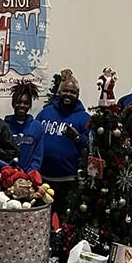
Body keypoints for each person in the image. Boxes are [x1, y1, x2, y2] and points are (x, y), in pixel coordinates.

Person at [36, 76, 90, 217]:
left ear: (78, 95)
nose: (68, 94)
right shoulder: (45, 112)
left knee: (66, 221)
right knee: (42, 219)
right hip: (44, 179)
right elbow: (34, 134)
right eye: (65, 91)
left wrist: (77, 138)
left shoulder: (84, 118)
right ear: (59, 92)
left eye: (73, 92)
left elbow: (92, 144)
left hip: (69, 181)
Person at [5, 81, 45, 172]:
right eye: (18, 102)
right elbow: (1, 153)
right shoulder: (4, 126)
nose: (22, 106)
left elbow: (38, 155)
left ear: (30, 105)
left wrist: (29, 173)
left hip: (29, 175)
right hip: (8, 173)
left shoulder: (37, 127)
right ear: (13, 103)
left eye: (26, 103)